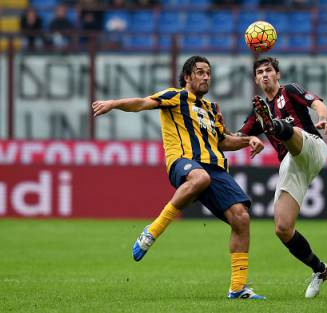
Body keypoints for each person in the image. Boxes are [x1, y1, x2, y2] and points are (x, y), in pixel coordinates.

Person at [92, 56, 266, 300]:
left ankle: (238, 288)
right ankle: (152, 231)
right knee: (200, 178)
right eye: (200, 72)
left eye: (208, 73)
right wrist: (113, 103)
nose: (206, 77)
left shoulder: (212, 109)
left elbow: (223, 141)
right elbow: (142, 103)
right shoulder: (175, 96)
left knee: (241, 218)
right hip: (182, 160)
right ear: (187, 77)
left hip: (215, 167)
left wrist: (249, 140)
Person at [237, 57, 327, 299]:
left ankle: (276, 125)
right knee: (282, 228)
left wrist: (323, 118)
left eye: (269, 70)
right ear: (256, 79)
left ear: (277, 74)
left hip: (312, 146)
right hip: (292, 163)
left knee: (291, 131)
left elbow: (317, 102)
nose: (265, 75)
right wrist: (249, 139)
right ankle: (320, 270)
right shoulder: (256, 112)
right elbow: (236, 137)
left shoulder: (289, 91)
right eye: (260, 72)